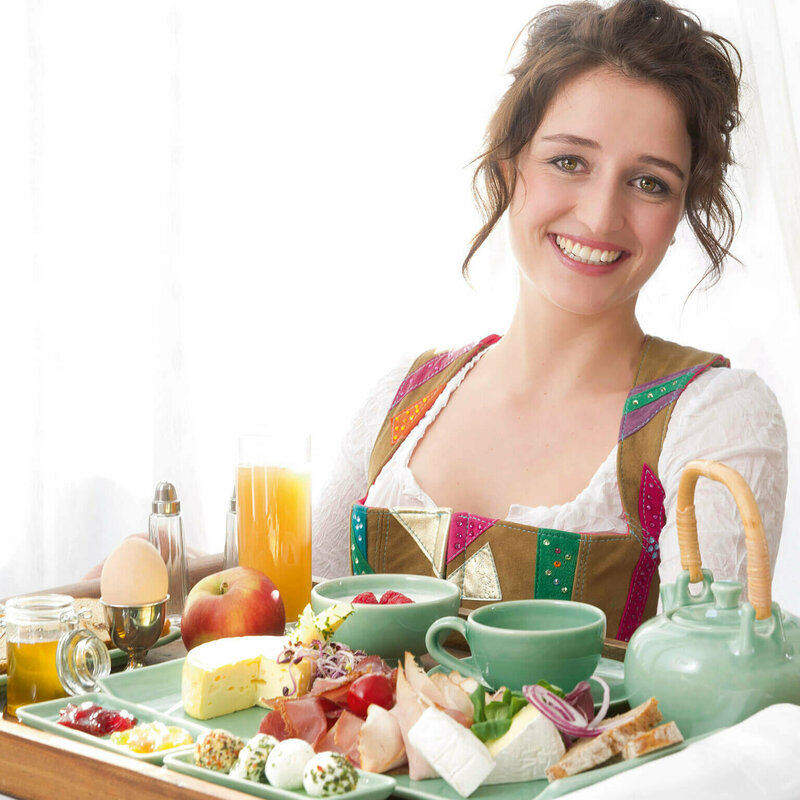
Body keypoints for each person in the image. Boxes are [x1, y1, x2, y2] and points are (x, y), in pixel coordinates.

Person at [313, 0, 787, 643]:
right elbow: (296, 639)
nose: (599, 216)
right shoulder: (401, 399)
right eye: (569, 162)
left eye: (649, 183)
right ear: (509, 165)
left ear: (680, 215)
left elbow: (711, 680)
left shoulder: (715, 419)